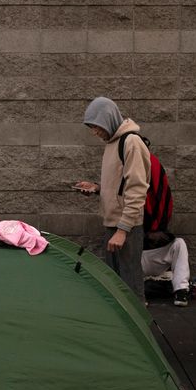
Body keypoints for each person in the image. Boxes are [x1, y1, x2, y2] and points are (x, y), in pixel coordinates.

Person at [74, 97, 150, 301]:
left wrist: (123, 231)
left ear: (108, 119)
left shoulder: (131, 142)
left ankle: (140, 331)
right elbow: (121, 186)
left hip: (127, 228)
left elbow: (137, 189)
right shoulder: (112, 143)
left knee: (130, 288)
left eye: (96, 126)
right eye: (91, 127)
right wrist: (98, 188)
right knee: (116, 288)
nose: (94, 132)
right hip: (113, 225)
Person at [139, 153, 191, 307]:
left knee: (179, 244)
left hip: (157, 254)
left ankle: (181, 291)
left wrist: (159, 232)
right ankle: (137, 294)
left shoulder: (160, 191)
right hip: (136, 257)